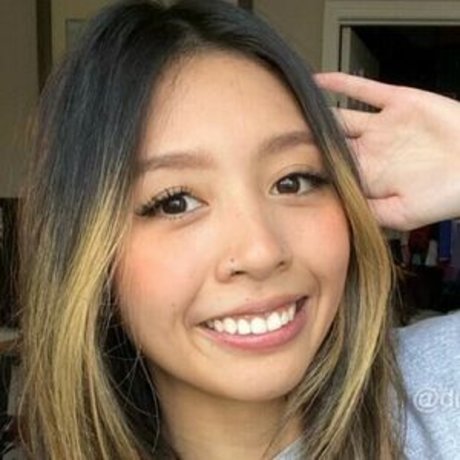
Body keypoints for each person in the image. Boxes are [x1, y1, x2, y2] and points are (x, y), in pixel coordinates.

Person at [12, 1, 459, 459]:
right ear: (88, 256)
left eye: (293, 181)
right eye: (175, 202)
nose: (261, 252)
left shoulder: (442, 399)